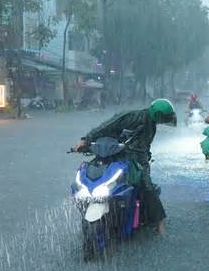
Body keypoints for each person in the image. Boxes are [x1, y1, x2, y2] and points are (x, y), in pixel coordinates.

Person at [72, 99, 177, 234]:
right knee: (90, 174)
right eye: (164, 118)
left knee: (147, 186)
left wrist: (145, 158)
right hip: (114, 154)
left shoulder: (152, 126)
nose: (164, 121)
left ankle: (159, 223)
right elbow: (107, 126)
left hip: (138, 161)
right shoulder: (132, 116)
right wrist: (86, 140)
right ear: (158, 116)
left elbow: (145, 146)